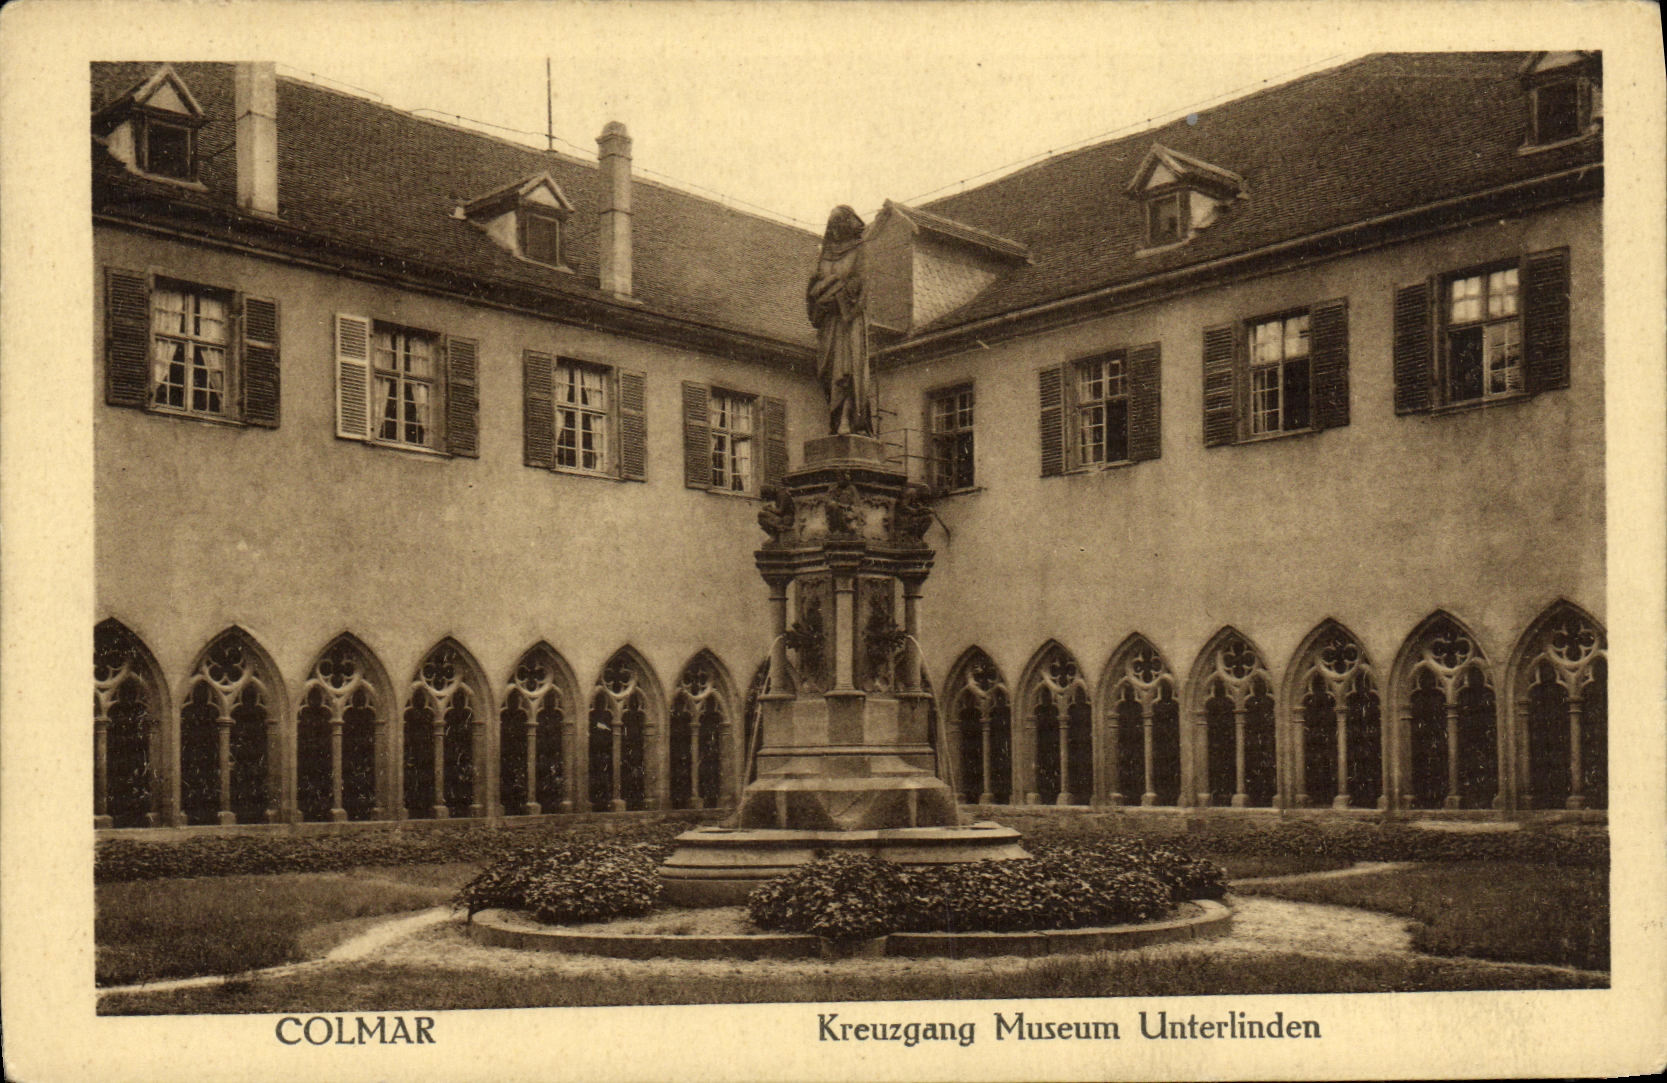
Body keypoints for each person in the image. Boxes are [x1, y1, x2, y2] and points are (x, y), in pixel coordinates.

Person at [806, 205, 875, 436]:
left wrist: (837, 294)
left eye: (838, 225)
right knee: (826, 371)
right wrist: (822, 292)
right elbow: (813, 285)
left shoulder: (859, 249)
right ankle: (835, 420)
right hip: (828, 321)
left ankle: (846, 419)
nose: (834, 231)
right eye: (831, 226)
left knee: (846, 369)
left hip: (848, 321)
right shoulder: (824, 254)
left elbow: (861, 284)